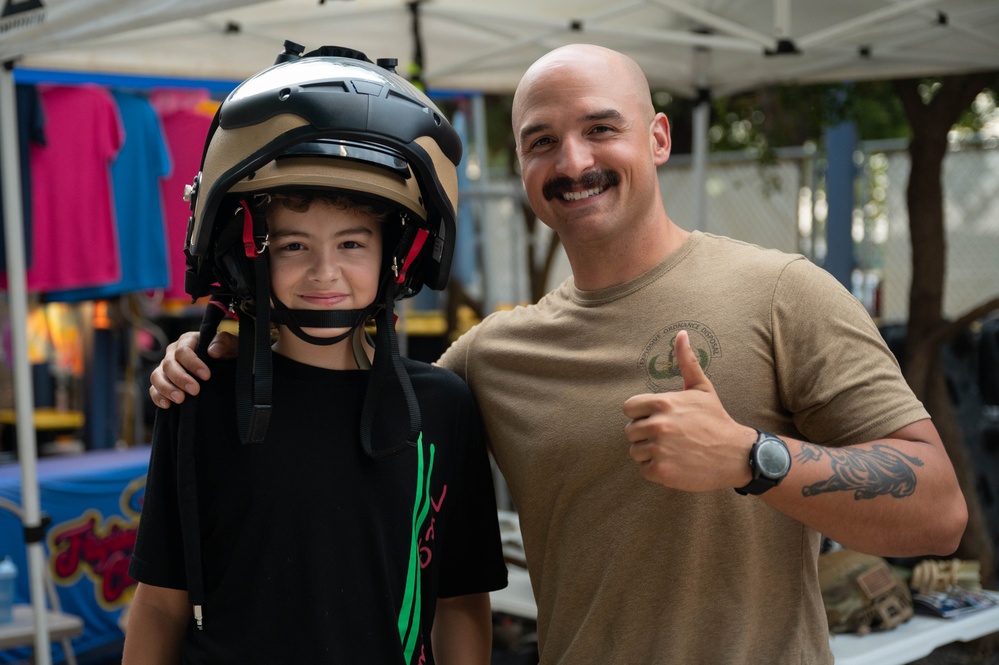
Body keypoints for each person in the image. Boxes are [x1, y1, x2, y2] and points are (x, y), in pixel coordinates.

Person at [148, 44, 968, 664]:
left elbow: (937, 510)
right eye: (541, 141)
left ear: (656, 137)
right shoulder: (488, 361)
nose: (572, 162)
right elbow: (338, 372)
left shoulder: (782, 291)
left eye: (599, 130)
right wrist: (210, 346)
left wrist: (752, 457)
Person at [125, 46, 507, 665]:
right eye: (293, 245)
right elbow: (163, 601)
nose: (324, 272)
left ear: (395, 254)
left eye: (352, 243)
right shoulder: (201, 394)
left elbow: (460, 601)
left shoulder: (444, 409)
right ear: (250, 254)